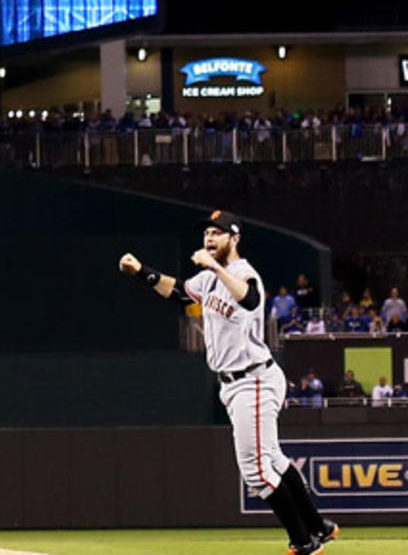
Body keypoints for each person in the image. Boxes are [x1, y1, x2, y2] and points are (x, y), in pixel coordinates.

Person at [118, 211, 338, 555]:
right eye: (207, 232)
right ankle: (318, 526)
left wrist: (215, 266)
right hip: (237, 383)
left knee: (255, 472)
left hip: (254, 378)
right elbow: (178, 291)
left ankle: (303, 542)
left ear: (234, 239)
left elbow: (249, 299)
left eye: (217, 233)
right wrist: (141, 272)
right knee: (274, 461)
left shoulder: (243, 273)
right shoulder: (207, 279)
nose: (209, 238)